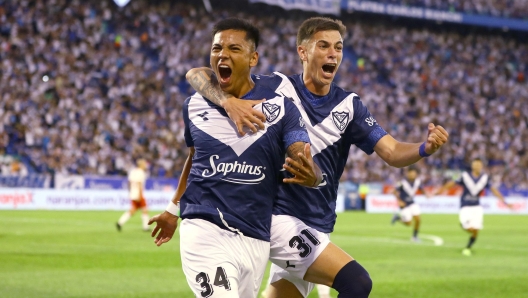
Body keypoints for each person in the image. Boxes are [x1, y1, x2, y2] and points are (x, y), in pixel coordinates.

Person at [186, 17, 449, 298]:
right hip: (277, 218)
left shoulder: (350, 106)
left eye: (338, 47)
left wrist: (424, 148)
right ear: (303, 52)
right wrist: (228, 101)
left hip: (315, 224)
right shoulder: (276, 87)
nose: (332, 53)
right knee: (356, 283)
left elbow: (393, 152)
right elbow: (197, 74)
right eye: (323, 45)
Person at [148, 18, 322, 298]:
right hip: (205, 229)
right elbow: (194, 159)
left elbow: (301, 154)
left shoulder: (280, 108)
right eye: (217, 48)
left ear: (253, 58)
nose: (222, 55)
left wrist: (314, 175)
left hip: (255, 237)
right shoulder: (193, 105)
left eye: (233, 48)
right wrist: (172, 209)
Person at [434, 158, 512, 256]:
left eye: (479, 165)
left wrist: (505, 202)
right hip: (465, 205)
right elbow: (452, 183)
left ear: (482, 166)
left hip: (477, 206)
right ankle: (464, 226)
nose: (477, 166)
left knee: (476, 230)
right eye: (475, 164)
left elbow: (493, 190)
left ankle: (468, 248)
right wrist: (441, 190)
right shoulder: (464, 175)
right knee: (468, 227)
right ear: (472, 166)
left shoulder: (485, 178)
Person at [391, 166, 430, 242]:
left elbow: (421, 189)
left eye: (414, 174)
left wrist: (426, 194)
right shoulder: (402, 182)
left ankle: (414, 237)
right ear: (408, 173)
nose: (412, 175)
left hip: (412, 203)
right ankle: (397, 218)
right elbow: (394, 192)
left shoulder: (417, 181)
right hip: (404, 205)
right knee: (408, 223)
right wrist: (399, 201)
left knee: (418, 219)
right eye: (411, 173)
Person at [116, 159, 150, 231]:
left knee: (133, 210)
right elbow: (139, 183)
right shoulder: (141, 172)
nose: (145, 165)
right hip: (138, 193)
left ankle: (120, 222)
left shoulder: (133, 171)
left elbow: (129, 182)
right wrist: (140, 194)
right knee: (145, 209)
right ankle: (145, 227)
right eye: (144, 164)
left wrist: (130, 192)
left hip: (132, 193)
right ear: (141, 165)